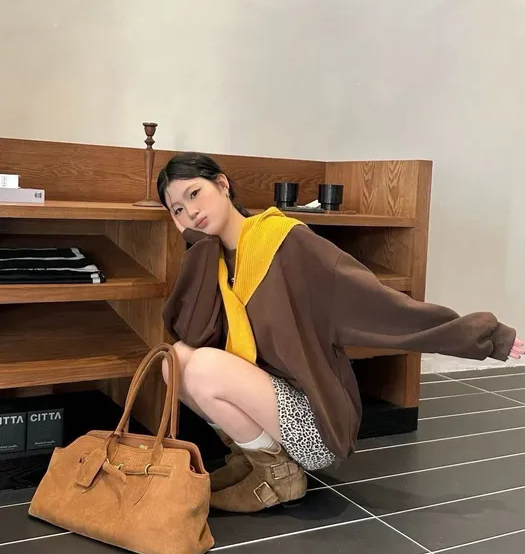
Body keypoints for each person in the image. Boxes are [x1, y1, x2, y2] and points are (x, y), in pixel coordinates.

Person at [157, 152, 524, 514]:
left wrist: (485, 336)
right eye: (178, 209)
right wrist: (200, 246)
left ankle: (280, 477)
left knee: (202, 365)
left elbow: (379, 304)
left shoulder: (285, 241)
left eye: (195, 193)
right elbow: (191, 330)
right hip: (265, 404)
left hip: (312, 418)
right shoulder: (215, 259)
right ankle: (253, 458)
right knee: (176, 360)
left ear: (222, 184)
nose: (192, 212)